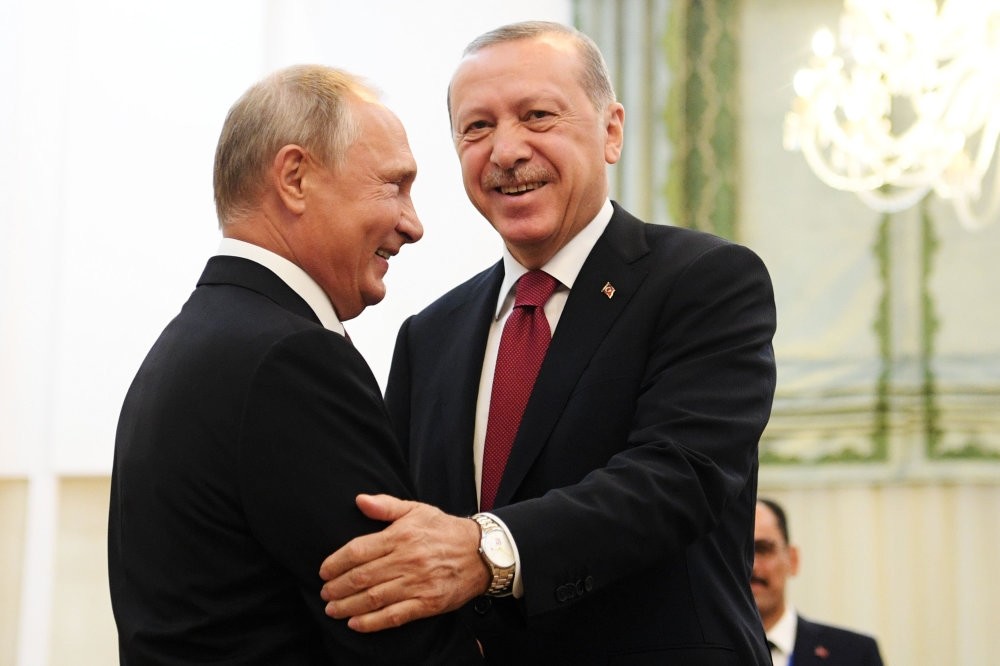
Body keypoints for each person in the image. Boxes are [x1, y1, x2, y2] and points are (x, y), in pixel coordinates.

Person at [319, 21, 777, 665]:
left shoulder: (704, 281)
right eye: (477, 128)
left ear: (611, 130)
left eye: (537, 116)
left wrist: (489, 550)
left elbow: (680, 478)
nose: (506, 151)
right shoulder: (430, 336)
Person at [107, 64, 482, 664]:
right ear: (295, 178)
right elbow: (396, 631)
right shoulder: (292, 361)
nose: (413, 225)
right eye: (394, 185)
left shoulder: (193, 341)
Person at [753, 498, 885, 666]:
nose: (752, 566)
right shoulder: (710, 656)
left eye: (763, 549)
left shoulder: (854, 655)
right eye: (737, 553)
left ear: (792, 559)